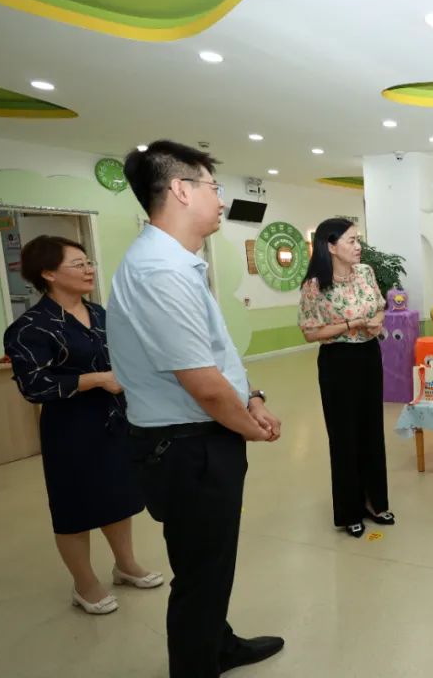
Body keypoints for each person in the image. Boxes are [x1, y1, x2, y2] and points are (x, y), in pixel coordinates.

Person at [108, 140, 284, 677]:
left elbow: (216, 351)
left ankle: (217, 644)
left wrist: (251, 396)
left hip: (198, 438)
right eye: (214, 186)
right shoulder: (159, 271)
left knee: (209, 563)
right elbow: (203, 385)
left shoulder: (177, 263)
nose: (222, 199)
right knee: (201, 573)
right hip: (188, 446)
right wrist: (248, 427)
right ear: (181, 190)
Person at [3, 236, 161, 615]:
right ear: (48, 273)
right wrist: (96, 379)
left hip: (115, 419)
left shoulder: (101, 314)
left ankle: (125, 565)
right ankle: (84, 583)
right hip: (71, 428)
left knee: (118, 496)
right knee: (74, 506)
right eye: (78, 264)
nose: (89, 269)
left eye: (89, 262)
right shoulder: (31, 327)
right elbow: (33, 385)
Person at [298, 217, 392, 538]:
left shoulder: (365, 272)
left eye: (358, 239)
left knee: (371, 431)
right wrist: (352, 324)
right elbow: (310, 332)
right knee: (344, 437)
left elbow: (380, 306)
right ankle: (350, 510)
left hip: (369, 356)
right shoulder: (314, 286)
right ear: (331, 246)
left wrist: (377, 321)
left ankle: (375, 502)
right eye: (351, 241)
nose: (358, 246)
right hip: (337, 362)